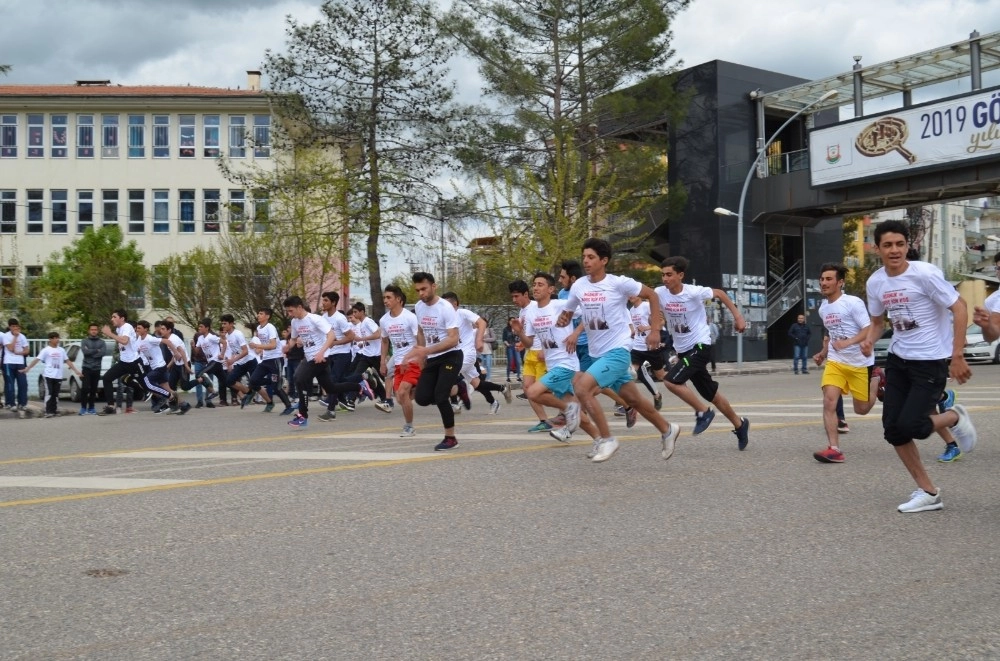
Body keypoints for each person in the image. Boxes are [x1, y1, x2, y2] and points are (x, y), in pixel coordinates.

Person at [865, 219, 977, 513]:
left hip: (930, 362)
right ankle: (928, 492)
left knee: (913, 425)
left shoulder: (925, 275)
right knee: (894, 431)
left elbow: (959, 306)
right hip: (899, 360)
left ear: (907, 246)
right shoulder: (876, 282)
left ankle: (953, 417)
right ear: (878, 248)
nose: (895, 250)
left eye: (900, 244)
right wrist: (867, 342)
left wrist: (957, 354)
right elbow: (878, 323)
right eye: (887, 245)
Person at [556, 238, 681, 463]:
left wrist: (654, 330)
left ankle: (606, 439)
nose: (586, 261)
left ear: (604, 260)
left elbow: (652, 294)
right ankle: (667, 428)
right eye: (584, 256)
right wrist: (561, 321)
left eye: (591, 257)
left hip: (619, 349)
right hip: (597, 353)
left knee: (582, 388)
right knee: (635, 400)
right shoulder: (579, 286)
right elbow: (569, 312)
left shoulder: (619, 283)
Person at [654, 256, 751, 450]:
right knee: (712, 394)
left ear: (680, 275)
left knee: (671, 381)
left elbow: (721, 294)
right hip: (683, 350)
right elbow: (653, 308)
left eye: (669, 275)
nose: (665, 279)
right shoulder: (659, 293)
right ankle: (740, 425)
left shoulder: (693, 292)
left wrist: (738, 317)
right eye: (663, 274)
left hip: (700, 346)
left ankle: (703, 412)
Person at [810, 263, 885, 463]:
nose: (823, 283)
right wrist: (823, 352)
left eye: (828, 279)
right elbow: (831, 333)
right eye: (822, 279)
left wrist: (850, 342)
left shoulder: (853, 303)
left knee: (861, 409)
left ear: (840, 282)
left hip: (859, 362)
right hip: (836, 361)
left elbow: (868, 328)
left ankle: (876, 378)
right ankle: (834, 449)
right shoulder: (823, 308)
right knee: (829, 400)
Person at [404, 272, 463, 451]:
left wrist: (426, 350)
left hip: (451, 355)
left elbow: (453, 339)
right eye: (418, 290)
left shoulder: (445, 308)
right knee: (422, 398)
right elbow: (421, 332)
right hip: (431, 357)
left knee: (440, 396)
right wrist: (422, 355)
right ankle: (456, 386)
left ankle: (451, 438)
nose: (421, 293)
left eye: (424, 288)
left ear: (434, 286)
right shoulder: (419, 307)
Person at [443, 292, 510, 415]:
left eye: (446, 304)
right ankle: (500, 391)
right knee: (477, 384)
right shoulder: (445, 319)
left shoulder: (463, 313)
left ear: (455, 304)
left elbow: (482, 323)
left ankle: (455, 403)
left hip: (467, 354)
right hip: (456, 355)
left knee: (449, 374)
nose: (443, 307)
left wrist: (479, 340)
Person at [283, 295, 339, 428]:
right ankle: (359, 386)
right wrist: (288, 346)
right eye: (288, 311)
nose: (289, 314)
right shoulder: (295, 322)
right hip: (310, 357)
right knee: (331, 387)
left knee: (299, 377)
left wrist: (321, 352)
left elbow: (332, 335)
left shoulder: (315, 319)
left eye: (291, 311)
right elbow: (294, 339)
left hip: (321, 357)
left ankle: (302, 415)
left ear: (300, 307)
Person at [510, 279, 555, 431]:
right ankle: (544, 421)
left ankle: (572, 408)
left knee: (544, 391)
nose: (514, 300)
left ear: (525, 294)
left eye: (517, 296)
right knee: (528, 389)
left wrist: (545, 349)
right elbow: (531, 334)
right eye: (512, 297)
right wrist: (521, 343)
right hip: (530, 354)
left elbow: (547, 328)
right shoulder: (522, 311)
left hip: (542, 355)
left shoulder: (536, 307)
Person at [379, 284, 421, 437]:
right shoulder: (384, 320)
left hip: (412, 361)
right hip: (398, 363)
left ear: (398, 299)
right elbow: (384, 342)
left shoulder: (410, 317)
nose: (385, 300)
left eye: (389, 297)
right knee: (400, 399)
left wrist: (416, 358)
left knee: (403, 392)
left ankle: (409, 426)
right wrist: (382, 361)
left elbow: (419, 340)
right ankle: (419, 390)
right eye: (384, 297)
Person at [245, 308, 294, 415]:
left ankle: (288, 406)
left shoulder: (270, 327)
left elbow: (273, 345)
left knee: (276, 388)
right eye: (258, 313)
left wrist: (257, 346)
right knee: (253, 381)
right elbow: (265, 344)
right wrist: (259, 349)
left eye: (261, 313)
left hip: (275, 359)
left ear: (267, 316)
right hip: (266, 360)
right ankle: (273, 388)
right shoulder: (259, 328)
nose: (258, 315)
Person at [22, 332, 82, 417]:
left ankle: (54, 410)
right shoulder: (46, 350)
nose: (57, 340)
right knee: (49, 393)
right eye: (55, 338)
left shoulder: (61, 350)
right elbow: (37, 359)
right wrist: (28, 368)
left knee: (56, 393)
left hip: (58, 375)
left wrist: (76, 371)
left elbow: (67, 361)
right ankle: (48, 411)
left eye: (58, 338)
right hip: (49, 375)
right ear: (50, 339)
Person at [99, 309, 144, 415]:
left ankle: (169, 398)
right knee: (107, 378)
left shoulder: (127, 327)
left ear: (122, 318)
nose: (112, 319)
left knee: (146, 384)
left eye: (114, 317)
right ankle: (111, 406)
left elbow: (124, 341)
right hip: (124, 362)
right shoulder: (119, 329)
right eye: (112, 317)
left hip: (134, 362)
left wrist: (109, 333)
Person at [2, 318, 30, 411]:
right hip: (9, 362)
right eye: (13, 326)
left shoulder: (22, 336)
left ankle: (22, 403)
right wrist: (15, 337)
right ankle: (11, 403)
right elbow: (10, 348)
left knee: (23, 383)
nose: (15, 328)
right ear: (10, 327)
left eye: (16, 326)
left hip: (20, 362)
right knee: (10, 383)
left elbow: (26, 350)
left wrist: (19, 353)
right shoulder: (6, 336)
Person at [79, 323, 105, 415]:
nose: (94, 331)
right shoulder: (84, 341)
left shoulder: (102, 342)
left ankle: (91, 407)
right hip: (86, 367)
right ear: (89, 331)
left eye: (95, 329)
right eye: (92, 329)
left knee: (94, 389)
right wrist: (96, 351)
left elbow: (102, 353)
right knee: (85, 388)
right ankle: (83, 408)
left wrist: (91, 352)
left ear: (97, 331)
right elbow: (85, 352)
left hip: (97, 368)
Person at [502, 317, 522, 382]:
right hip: (510, 346)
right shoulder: (506, 329)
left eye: (514, 321)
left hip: (516, 346)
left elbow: (521, 337)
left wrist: (520, 343)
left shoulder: (517, 328)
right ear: (509, 322)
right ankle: (508, 377)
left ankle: (518, 376)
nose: (512, 322)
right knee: (510, 362)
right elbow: (504, 339)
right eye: (511, 321)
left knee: (518, 361)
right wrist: (507, 344)